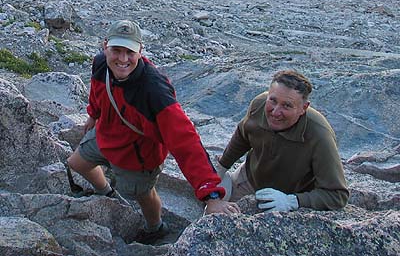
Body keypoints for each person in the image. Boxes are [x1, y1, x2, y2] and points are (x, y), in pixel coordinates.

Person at [67, 19, 240, 245]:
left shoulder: (154, 90)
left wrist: (211, 195)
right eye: (116, 50)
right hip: (106, 134)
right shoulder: (101, 64)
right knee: (76, 162)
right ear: (105, 46)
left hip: (138, 156)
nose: (122, 58)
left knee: (144, 195)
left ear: (140, 50)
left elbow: (185, 140)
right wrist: (93, 114)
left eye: (129, 51)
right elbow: (98, 92)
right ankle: (106, 192)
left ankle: (155, 227)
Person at [215, 70, 349, 212]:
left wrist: (293, 201)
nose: (275, 112)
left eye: (287, 106)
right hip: (248, 180)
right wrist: (222, 168)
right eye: (272, 100)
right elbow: (243, 136)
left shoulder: (319, 135)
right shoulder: (259, 105)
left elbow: (338, 196)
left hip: (288, 196)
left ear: (304, 108)